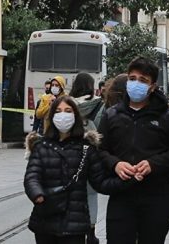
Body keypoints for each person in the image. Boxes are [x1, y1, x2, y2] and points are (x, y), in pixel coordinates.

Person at [97, 57, 169, 244]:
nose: (135, 84)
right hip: (122, 196)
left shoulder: (167, 117)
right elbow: (99, 150)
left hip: (157, 196)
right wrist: (115, 164)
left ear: (152, 86)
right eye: (132, 78)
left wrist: (153, 164)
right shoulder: (112, 115)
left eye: (143, 80)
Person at [24, 96, 125, 244]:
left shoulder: (86, 147)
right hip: (45, 219)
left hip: (75, 223)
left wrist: (126, 178)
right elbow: (32, 176)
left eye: (68, 110)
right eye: (58, 111)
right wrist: (36, 193)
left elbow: (100, 182)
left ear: (75, 116)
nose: (62, 115)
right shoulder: (41, 146)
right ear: (52, 116)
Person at [69, 73, 106, 244]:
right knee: (91, 194)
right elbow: (102, 130)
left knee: (71, 193)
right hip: (91, 155)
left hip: (70, 155)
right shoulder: (99, 104)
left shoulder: (66, 104)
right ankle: (90, 232)